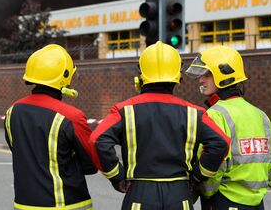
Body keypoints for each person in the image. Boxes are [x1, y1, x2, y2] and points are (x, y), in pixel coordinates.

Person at [90, 41, 230, 210]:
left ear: (141, 76)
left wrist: (117, 177)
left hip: (140, 194)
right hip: (179, 195)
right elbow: (221, 143)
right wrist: (197, 177)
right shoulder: (195, 113)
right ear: (177, 77)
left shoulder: (124, 110)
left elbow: (97, 140)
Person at [185, 45, 271, 210]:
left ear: (223, 75)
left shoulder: (215, 115)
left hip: (224, 201)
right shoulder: (259, 114)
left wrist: (205, 192)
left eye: (207, 74)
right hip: (257, 203)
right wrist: (263, 183)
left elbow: (212, 162)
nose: (201, 80)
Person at [4, 44, 97, 210]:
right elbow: (90, 164)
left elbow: (21, 151)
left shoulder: (12, 112)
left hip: (23, 204)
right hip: (66, 204)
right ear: (64, 77)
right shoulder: (71, 116)